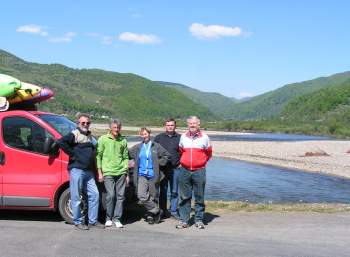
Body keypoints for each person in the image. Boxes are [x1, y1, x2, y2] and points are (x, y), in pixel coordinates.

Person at [56, 114, 100, 230]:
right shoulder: (74, 134)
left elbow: (95, 149)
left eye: (87, 123)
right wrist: (73, 154)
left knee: (94, 194)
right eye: (83, 123)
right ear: (78, 123)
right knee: (76, 196)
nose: (85, 125)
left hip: (88, 171)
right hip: (77, 169)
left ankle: (93, 221)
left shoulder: (90, 136)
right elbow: (61, 142)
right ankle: (77, 222)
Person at [176, 116, 212, 229]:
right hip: (184, 170)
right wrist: (185, 162)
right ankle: (184, 220)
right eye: (190, 123)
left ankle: (199, 220)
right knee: (184, 197)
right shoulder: (183, 137)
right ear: (188, 124)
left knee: (199, 196)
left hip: (199, 171)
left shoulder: (205, 138)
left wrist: (200, 163)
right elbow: (181, 151)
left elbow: (208, 153)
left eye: (194, 123)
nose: (192, 125)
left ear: (198, 124)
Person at [129, 127, 170, 225]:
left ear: (149, 134)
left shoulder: (156, 146)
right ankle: (157, 210)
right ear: (141, 135)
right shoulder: (138, 147)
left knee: (152, 196)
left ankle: (151, 216)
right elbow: (127, 154)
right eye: (142, 134)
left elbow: (167, 156)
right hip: (142, 174)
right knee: (141, 196)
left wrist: (158, 163)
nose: (144, 135)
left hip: (153, 174)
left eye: (146, 133)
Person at [96, 119, 129, 228]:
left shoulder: (123, 140)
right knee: (110, 195)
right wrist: (100, 172)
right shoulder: (103, 139)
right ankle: (108, 218)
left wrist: (126, 172)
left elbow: (125, 157)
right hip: (108, 172)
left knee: (121, 196)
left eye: (118, 127)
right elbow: (98, 156)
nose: (116, 129)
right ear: (110, 128)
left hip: (121, 172)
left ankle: (117, 219)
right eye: (114, 127)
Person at [154, 118, 181, 219]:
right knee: (163, 191)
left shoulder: (180, 138)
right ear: (165, 126)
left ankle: (173, 211)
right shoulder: (159, 137)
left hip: (176, 168)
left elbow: (184, 151)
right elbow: (153, 151)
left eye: (172, 125)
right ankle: (163, 211)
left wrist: (182, 163)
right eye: (168, 125)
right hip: (163, 169)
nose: (170, 127)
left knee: (175, 191)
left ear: (175, 126)